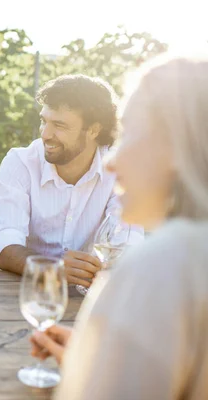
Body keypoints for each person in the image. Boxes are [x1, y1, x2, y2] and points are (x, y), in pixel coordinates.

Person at [30, 54, 208, 400]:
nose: (111, 161)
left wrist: (86, 383)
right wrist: (95, 361)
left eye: (129, 133)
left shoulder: (164, 261)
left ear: (174, 144)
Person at [0, 74, 142, 288]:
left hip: (87, 293)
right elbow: (5, 246)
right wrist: (52, 268)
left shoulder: (121, 168)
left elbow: (128, 243)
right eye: (44, 121)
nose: (45, 134)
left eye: (59, 125)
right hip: (20, 289)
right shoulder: (20, 162)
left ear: (93, 130)